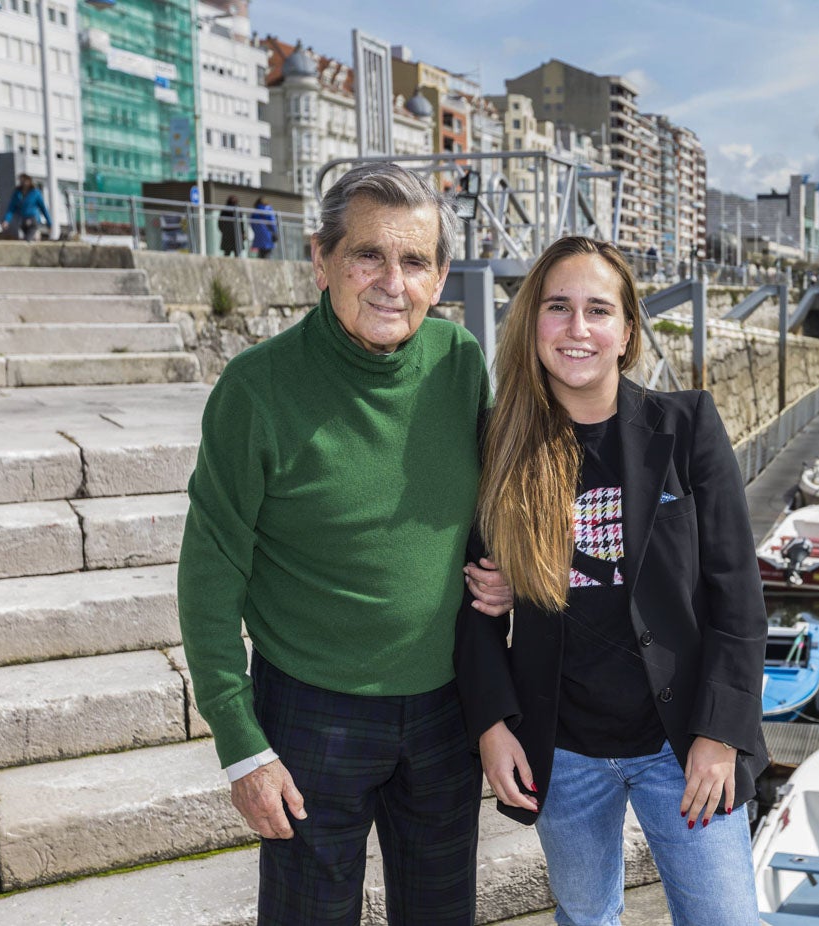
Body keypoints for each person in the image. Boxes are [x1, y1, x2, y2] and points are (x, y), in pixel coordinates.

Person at [178, 162, 512, 925]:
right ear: (322, 257)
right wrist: (242, 746)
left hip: (444, 710)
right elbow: (208, 576)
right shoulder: (256, 390)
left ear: (441, 276)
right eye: (367, 255)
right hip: (308, 712)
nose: (392, 282)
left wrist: (515, 578)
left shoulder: (459, 363)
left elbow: (491, 510)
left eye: (415, 261)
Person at [455, 236, 768, 926]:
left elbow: (737, 599)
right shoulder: (498, 445)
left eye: (598, 310)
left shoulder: (686, 428)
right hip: (562, 750)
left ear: (626, 332)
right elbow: (474, 602)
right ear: (531, 322)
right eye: (557, 307)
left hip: (682, 743)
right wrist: (490, 724)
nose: (577, 328)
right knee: (585, 917)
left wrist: (721, 734)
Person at [3, 174, 52, 242]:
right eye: (21, 180)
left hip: (33, 219)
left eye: (25, 180)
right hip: (23, 220)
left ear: (29, 181)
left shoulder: (35, 193)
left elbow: (43, 208)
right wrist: (6, 220)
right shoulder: (17, 194)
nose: (23, 182)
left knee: (28, 239)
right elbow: (11, 208)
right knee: (28, 238)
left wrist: (49, 223)